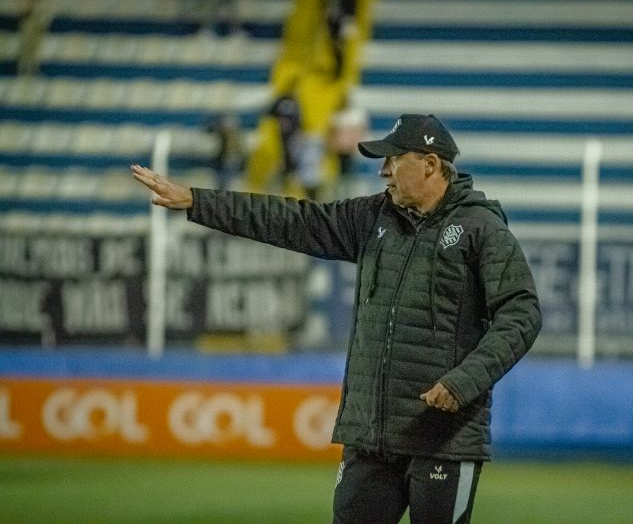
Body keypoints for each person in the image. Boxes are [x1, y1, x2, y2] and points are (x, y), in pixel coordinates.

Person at [131, 114, 542, 524]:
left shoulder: (481, 228)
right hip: (370, 438)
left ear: (430, 165)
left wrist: (462, 382)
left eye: (394, 160)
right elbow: (291, 220)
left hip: (443, 440)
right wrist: (198, 202)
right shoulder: (371, 218)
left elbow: (522, 315)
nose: (383, 171)